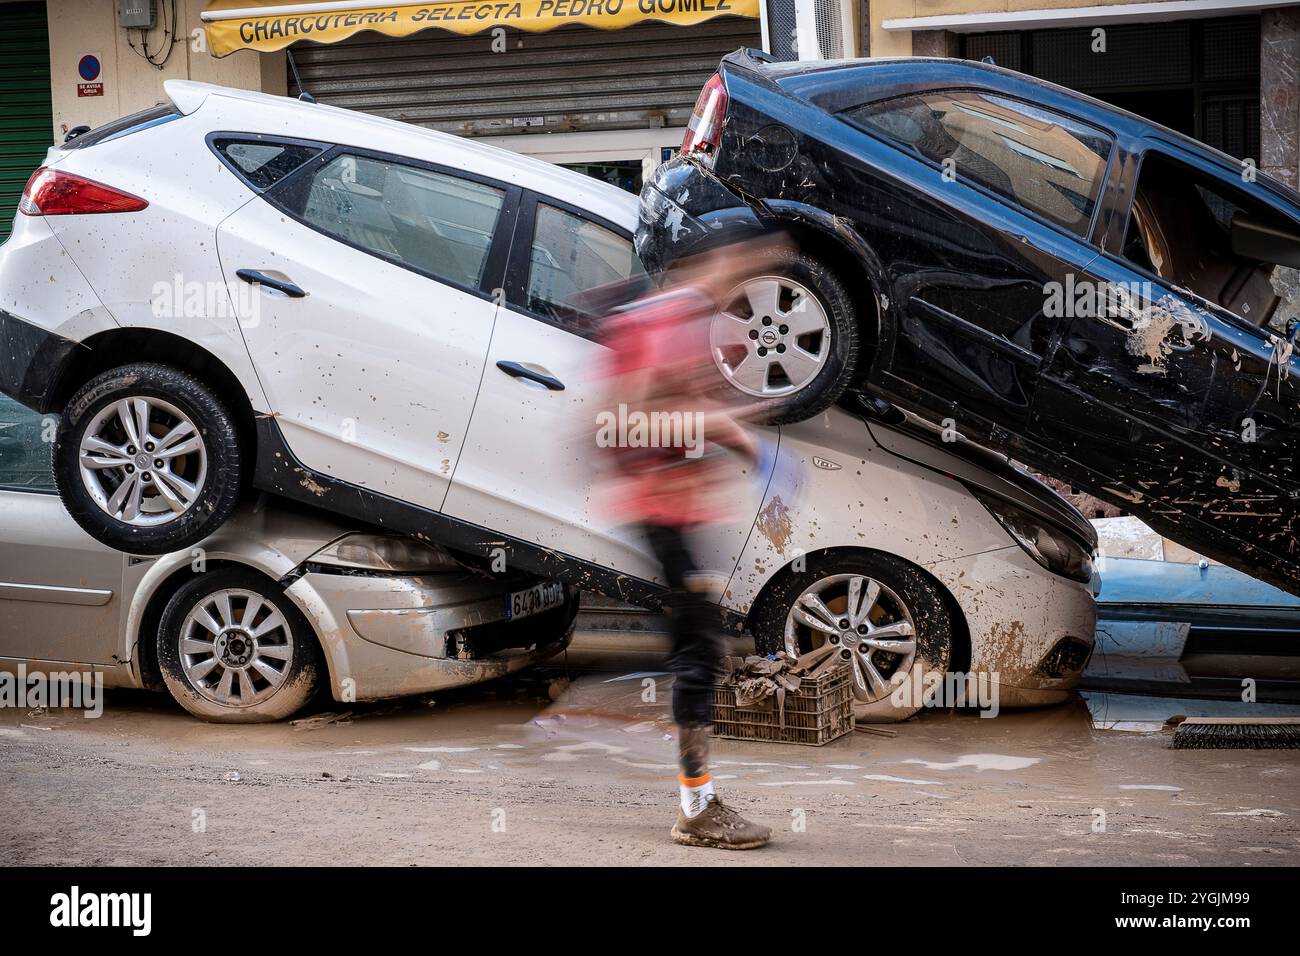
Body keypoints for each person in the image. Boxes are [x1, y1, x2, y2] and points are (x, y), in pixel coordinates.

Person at [598, 242, 777, 850]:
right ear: (707, 261)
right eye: (742, 261)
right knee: (699, 656)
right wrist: (723, 429)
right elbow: (626, 422)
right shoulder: (665, 323)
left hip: (680, 513)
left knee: (697, 650)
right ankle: (696, 809)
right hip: (661, 514)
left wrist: (737, 423)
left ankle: (691, 796)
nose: (746, 274)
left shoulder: (691, 322)